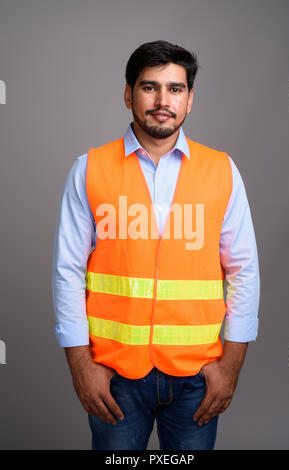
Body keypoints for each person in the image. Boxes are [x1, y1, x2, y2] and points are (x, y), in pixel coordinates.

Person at [52, 40, 260, 450]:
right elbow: (67, 271)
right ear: (128, 94)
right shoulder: (90, 168)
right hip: (114, 377)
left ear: (190, 99)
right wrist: (80, 365)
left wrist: (230, 366)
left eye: (175, 89)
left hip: (197, 378)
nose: (163, 100)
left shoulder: (222, 170)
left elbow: (244, 271)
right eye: (149, 87)